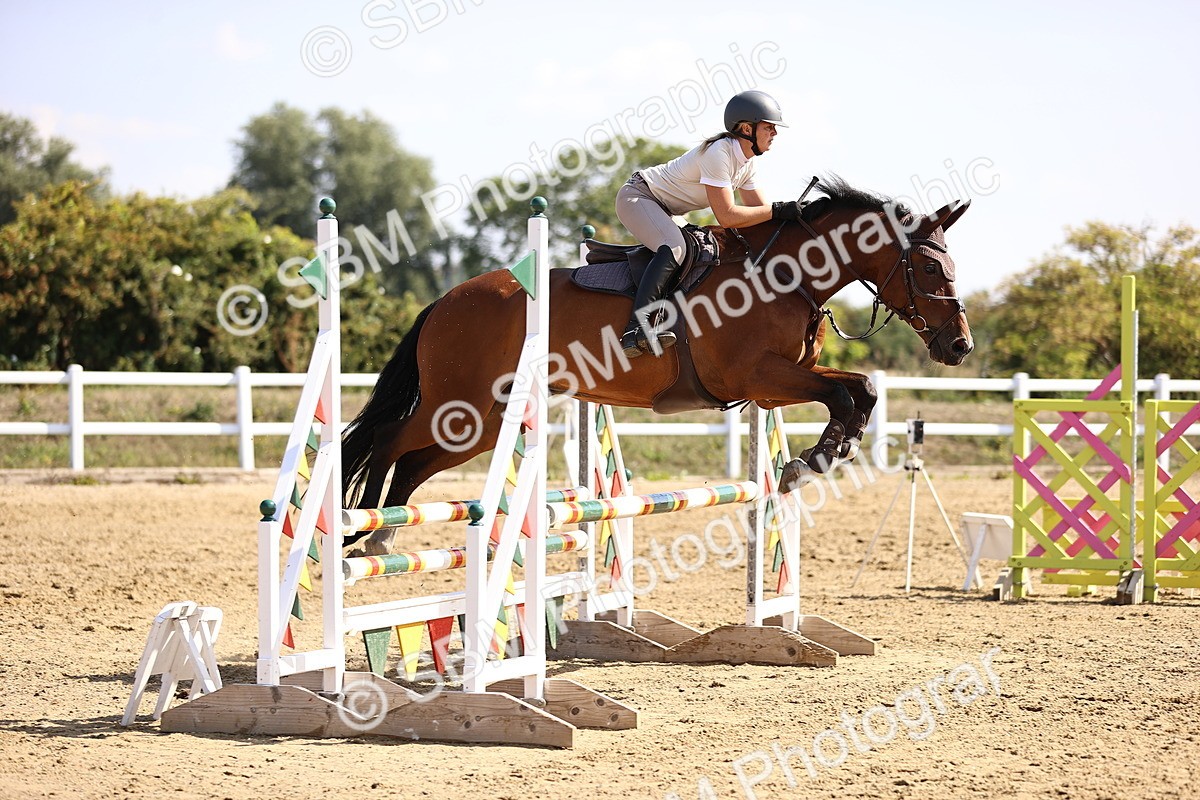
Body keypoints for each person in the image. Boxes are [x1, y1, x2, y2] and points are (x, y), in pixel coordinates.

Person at [614, 89, 805, 358]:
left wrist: (800, 216)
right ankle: (636, 329)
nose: (775, 133)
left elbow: (760, 214)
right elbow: (726, 217)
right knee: (675, 247)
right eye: (769, 127)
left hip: (665, 209)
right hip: (639, 197)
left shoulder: (746, 163)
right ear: (747, 128)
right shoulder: (720, 153)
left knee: (700, 251)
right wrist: (778, 210)